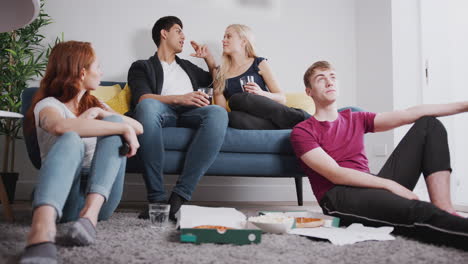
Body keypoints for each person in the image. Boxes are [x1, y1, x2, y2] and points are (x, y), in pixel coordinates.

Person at [291, 60, 468, 248]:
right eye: (321, 79)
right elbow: (335, 173)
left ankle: (445, 209)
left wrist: (465, 105)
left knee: (429, 124)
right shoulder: (302, 131)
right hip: (337, 195)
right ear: (308, 91)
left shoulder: (356, 118)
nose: (329, 82)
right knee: (417, 211)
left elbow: (409, 113)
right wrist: (390, 185)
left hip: (370, 184)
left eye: (332, 77)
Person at [20, 41, 143, 263]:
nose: (101, 72)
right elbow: (60, 126)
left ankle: (89, 217)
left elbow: (139, 128)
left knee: (113, 121)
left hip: (101, 198)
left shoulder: (96, 104)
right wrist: (120, 127)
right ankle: (41, 230)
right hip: (64, 194)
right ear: (82, 71)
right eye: (98, 66)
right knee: (70, 137)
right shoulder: (48, 105)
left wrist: (101, 114)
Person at [127, 16, 228, 220]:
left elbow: (218, 82)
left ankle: (179, 197)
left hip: (193, 112)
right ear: (164, 34)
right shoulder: (142, 66)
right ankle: (156, 198)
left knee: (218, 112)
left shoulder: (188, 68)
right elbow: (142, 97)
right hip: (162, 111)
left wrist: (209, 59)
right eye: (178, 30)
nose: (184, 36)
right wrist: (180, 99)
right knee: (146, 106)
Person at [213, 24, 309, 129]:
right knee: (232, 117)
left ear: (243, 41)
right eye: (224, 37)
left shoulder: (258, 63)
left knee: (238, 98)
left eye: (228, 36)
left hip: (269, 112)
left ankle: (304, 120)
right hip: (252, 120)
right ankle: (295, 126)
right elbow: (221, 112)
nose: (223, 40)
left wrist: (261, 93)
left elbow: (282, 98)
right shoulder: (220, 73)